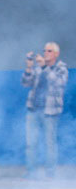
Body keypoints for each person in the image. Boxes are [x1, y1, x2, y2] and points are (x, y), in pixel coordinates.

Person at [22, 42, 68, 179]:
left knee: (50, 143)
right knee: (31, 143)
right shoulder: (37, 68)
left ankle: (50, 173)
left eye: (49, 51)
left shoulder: (61, 68)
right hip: (34, 109)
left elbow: (58, 83)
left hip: (50, 111)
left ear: (56, 54)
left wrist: (44, 67)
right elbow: (26, 83)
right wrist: (29, 67)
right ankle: (31, 172)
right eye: (44, 50)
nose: (45, 53)